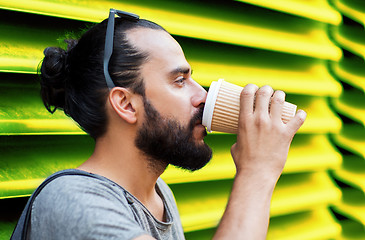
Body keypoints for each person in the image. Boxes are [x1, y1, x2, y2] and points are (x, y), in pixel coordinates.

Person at [29, 9, 306, 240]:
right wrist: (258, 172)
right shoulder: (72, 200)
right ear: (126, 104)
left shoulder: (160, 196)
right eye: (179, 80)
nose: (203, 96)